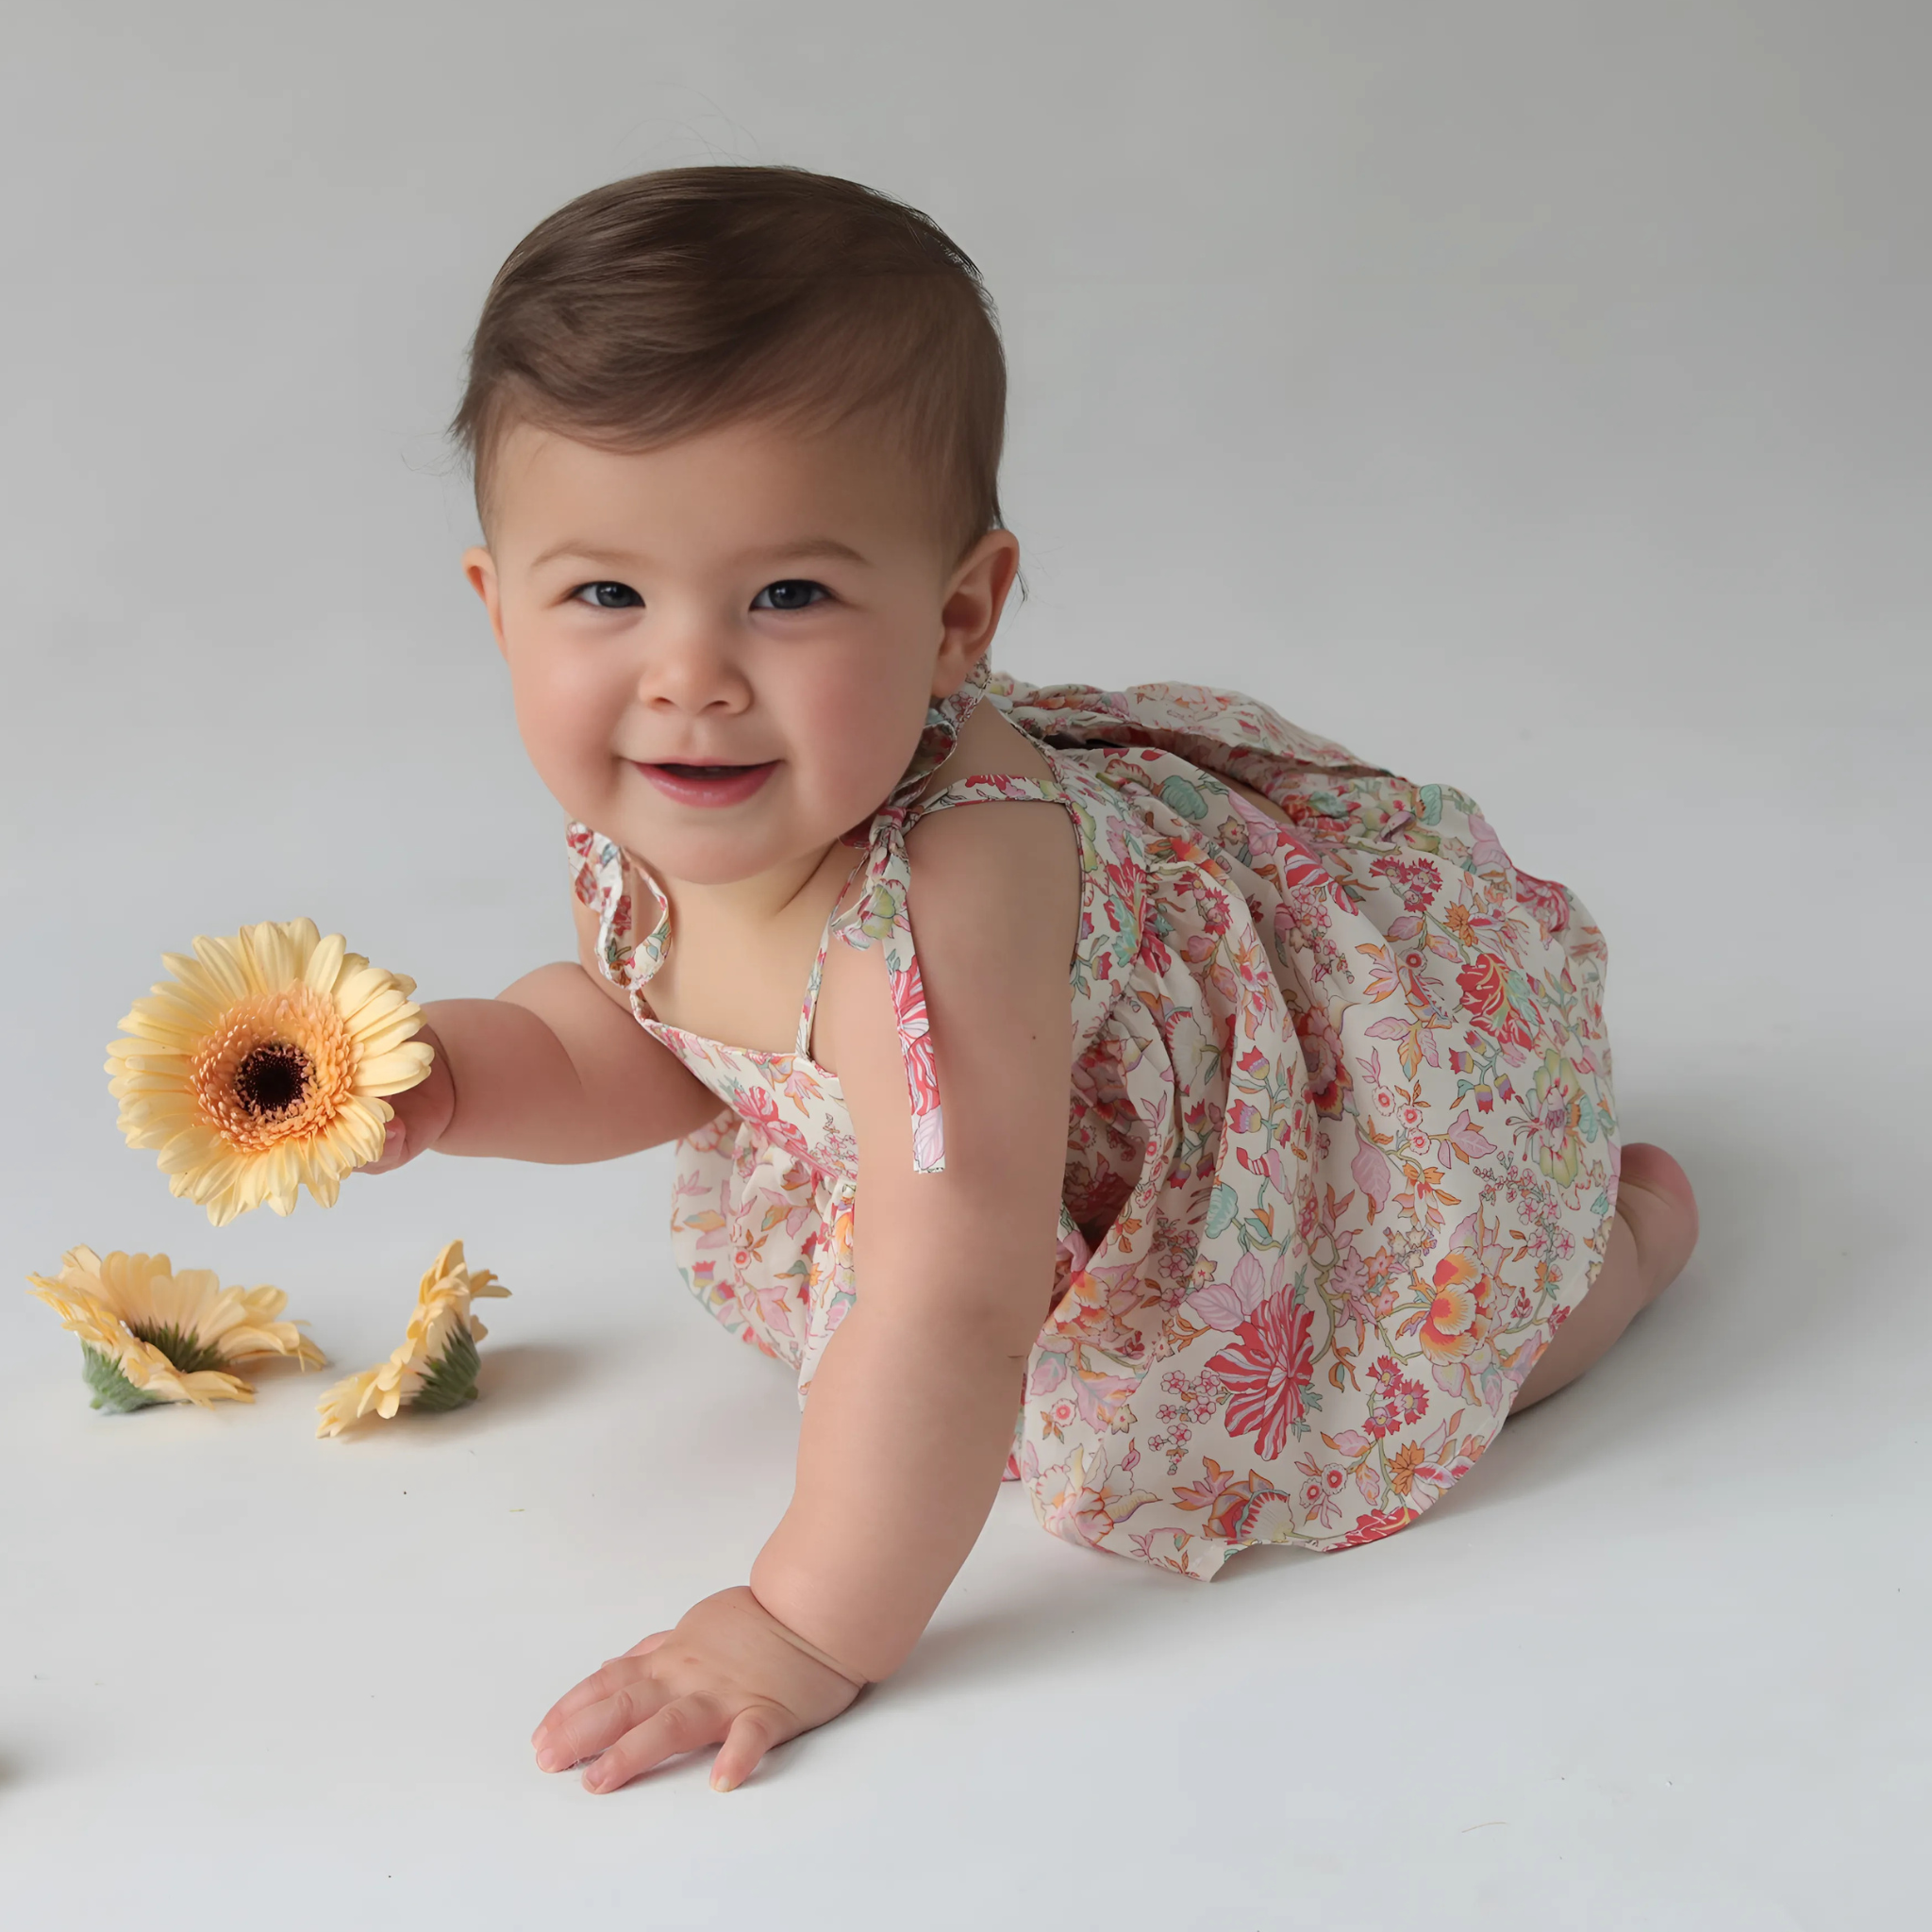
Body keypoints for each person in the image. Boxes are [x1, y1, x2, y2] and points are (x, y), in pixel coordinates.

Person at [368, 164, 1699, 1794]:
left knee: (1455, 1348)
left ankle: (1611, 1245)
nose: (691, 675)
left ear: (956, 616)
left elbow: (944, 1301)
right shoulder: (685, 805)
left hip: (1238, 1154)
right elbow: (649, 1043)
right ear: (499, 610)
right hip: (988, 1177)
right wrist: (444, 1080)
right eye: (607, 595)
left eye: (789, 595)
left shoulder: (937, 915)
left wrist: (800, 1626)